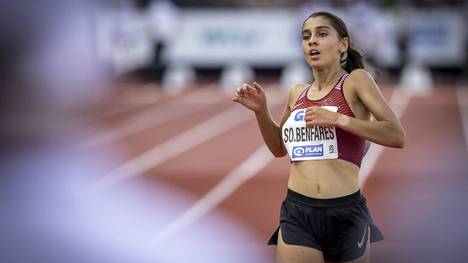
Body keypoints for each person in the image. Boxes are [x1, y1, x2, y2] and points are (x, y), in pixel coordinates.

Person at [232, 11, 406, 263]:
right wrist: (261, 112)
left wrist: (338, 119)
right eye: (306, 36)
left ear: (342, 45)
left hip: (346, 214)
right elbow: (279, 148)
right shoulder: (297, 93)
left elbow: (396, 135)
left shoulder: (356, 82)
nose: (312, 41)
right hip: (298, 213)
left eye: (322, 34)